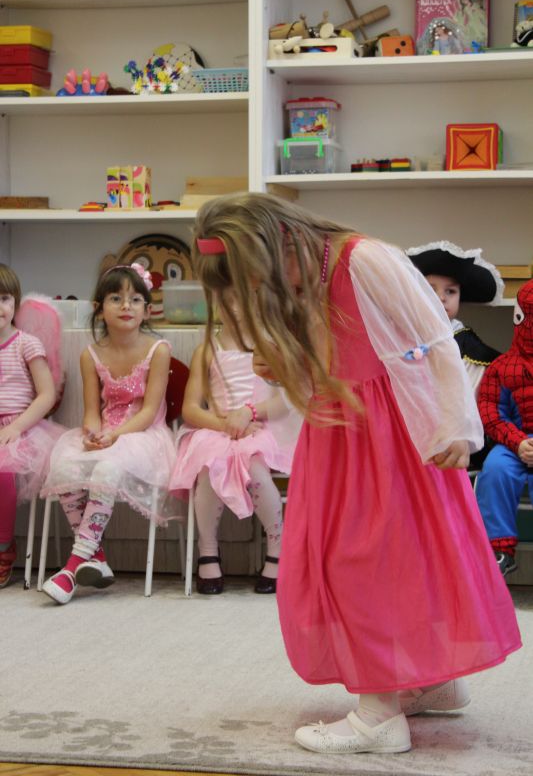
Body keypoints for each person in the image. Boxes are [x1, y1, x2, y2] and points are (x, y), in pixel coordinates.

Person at [188, 192, 521, 755]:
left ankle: (378, 717)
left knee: (366, 564)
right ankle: (428, 681)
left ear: (277, 244)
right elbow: (333, 357)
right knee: (378, 559)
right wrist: (285, 361)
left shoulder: (364, 260)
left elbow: (436, 339)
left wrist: (457, 427)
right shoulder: (306, 276)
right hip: (344, 434)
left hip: (389, 439)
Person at [41, 263, 177, 604]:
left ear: (147, 310)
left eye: (135, 299)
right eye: (116, 298)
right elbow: (91, 410)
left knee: (107, 468)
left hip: (142, 436)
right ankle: (96, 557)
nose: (126, 305)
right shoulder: (91, 355)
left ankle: (72, 568)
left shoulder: (158, 350)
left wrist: (116, 436)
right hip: (106, 433)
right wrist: (92, 432)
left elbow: (148, 412)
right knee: (65, 467)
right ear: (99, 308)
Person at [168, 295, 300, 594]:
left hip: (260, 427)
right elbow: (191, 408)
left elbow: (284, 400)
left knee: (254, 467)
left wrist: (249, 414)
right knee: (209, 466)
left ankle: (277, 548)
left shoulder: (271, 345)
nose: (235, 304)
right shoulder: (206, 350)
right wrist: (225, 424)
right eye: (227, 297)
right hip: (216, 429)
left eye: (242, 296)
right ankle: (207, 550)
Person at [407, 241, 503, 469]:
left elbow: (467, 403)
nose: (441, 298)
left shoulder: (472, 352)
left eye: (450, 291)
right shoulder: (403, 340)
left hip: (454, 442)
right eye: (430, 290)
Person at [0, 264, 64, 588]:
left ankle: (3, 548)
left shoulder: (26, 343)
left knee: (2, 472)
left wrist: (15, 428)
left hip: (19, 425)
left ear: (15, 301)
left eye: (4, 298)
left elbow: (46, 395)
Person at [475, 280, 533, 577]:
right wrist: (518, 442)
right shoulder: (502, 367)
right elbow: (490, 412)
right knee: (495, 470)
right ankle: (498, 548)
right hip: (514, 442)